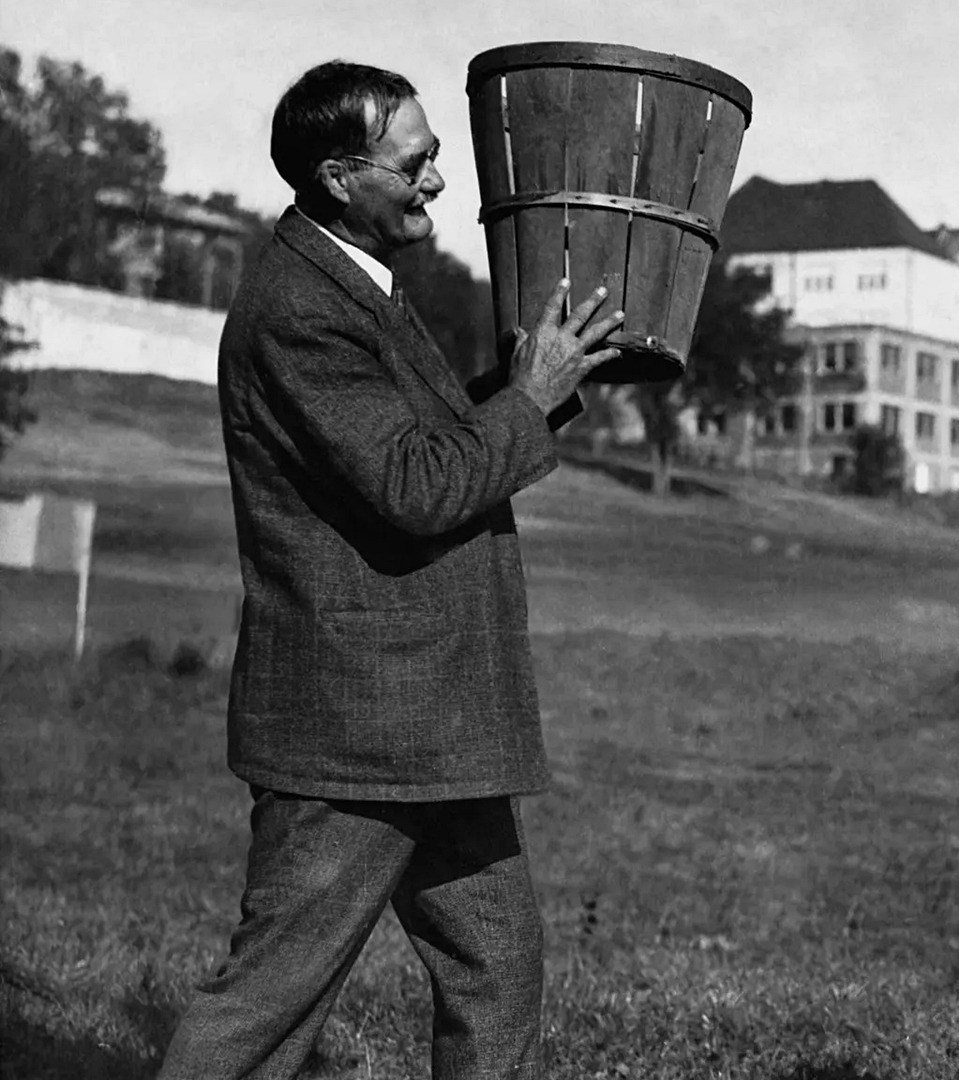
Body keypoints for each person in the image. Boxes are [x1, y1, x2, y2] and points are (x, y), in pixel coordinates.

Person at [157, 61, 621, 1079]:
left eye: (434, 156)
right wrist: (529, 402)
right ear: (337, 175)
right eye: (414, 164)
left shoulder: (357, 288)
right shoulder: (298, 309)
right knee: (270, 1002)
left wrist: (541, 379)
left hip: (432, 717)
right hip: (356, 727)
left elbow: (426, 441)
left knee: (499, 964)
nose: (438, 182)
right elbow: (414, 488)